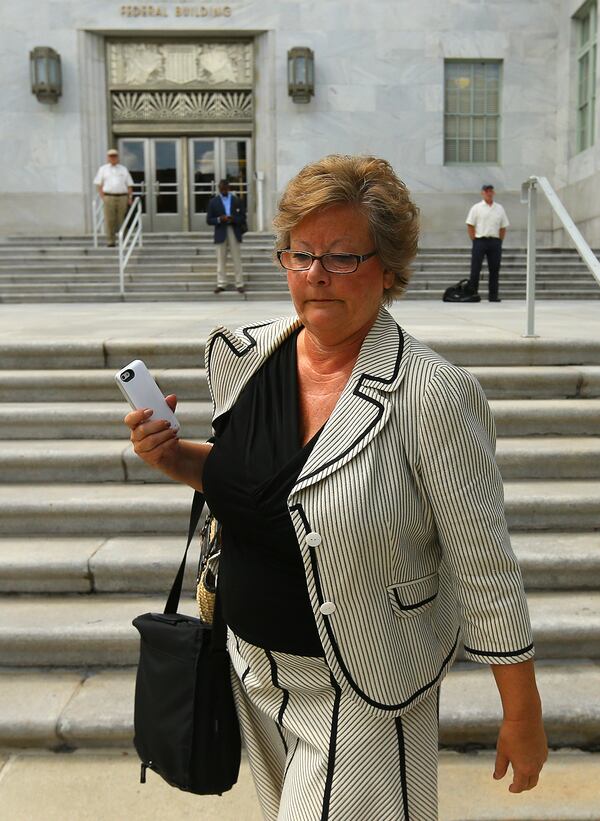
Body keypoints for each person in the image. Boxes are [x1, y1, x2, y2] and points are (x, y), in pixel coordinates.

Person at [124, 155, 547, 820]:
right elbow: (266, 487)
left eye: (343, 256)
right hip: (252, 677)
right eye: (301, 252)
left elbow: (484, 564)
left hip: (362, 689)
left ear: (388, 267)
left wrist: (522, 712)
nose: (316, 273)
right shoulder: (244, 356)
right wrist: (178, 457)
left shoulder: (433, 395)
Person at [466, 184, 509, 302]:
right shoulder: (476, 208)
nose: (489, 193)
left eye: (491, 191)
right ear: (482, 193)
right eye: (486, 191)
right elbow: (470, 224)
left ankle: (493, 296)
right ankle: (473, 294)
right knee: (475, 268)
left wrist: (500, 241)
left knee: (494, 269)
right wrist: (474, 239)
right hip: (480, 240)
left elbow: (503, 226)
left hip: (494, 241)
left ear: (493, 193)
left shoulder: (499, 208)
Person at [206, 179, 246, 294]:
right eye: (221, 189)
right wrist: (219, 219)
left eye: (225, 188)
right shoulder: (213, 202)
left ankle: (239, 284)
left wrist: (234, 219)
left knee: (236, 259)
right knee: (221, 260)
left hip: (234, 230)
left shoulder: (236, 200)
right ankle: (221, 284)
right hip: (220, 231)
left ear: (229, 188)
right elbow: (209, 220)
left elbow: (243, 217)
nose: (223, 190)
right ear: (219, 189)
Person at [93, 149, 134, 247]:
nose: (113, 158)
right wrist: (103, 197)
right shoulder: (103, 169)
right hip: (109, 197)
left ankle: (124, 240)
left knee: (122, 219)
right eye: (111, 156)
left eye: (115, 156)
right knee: (109, 220)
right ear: (108, 158)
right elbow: (99, 184)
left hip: (122, 197)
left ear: (118, 157)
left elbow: (129, 185)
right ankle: (111, 241)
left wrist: (130, 197)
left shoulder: (123, 169)